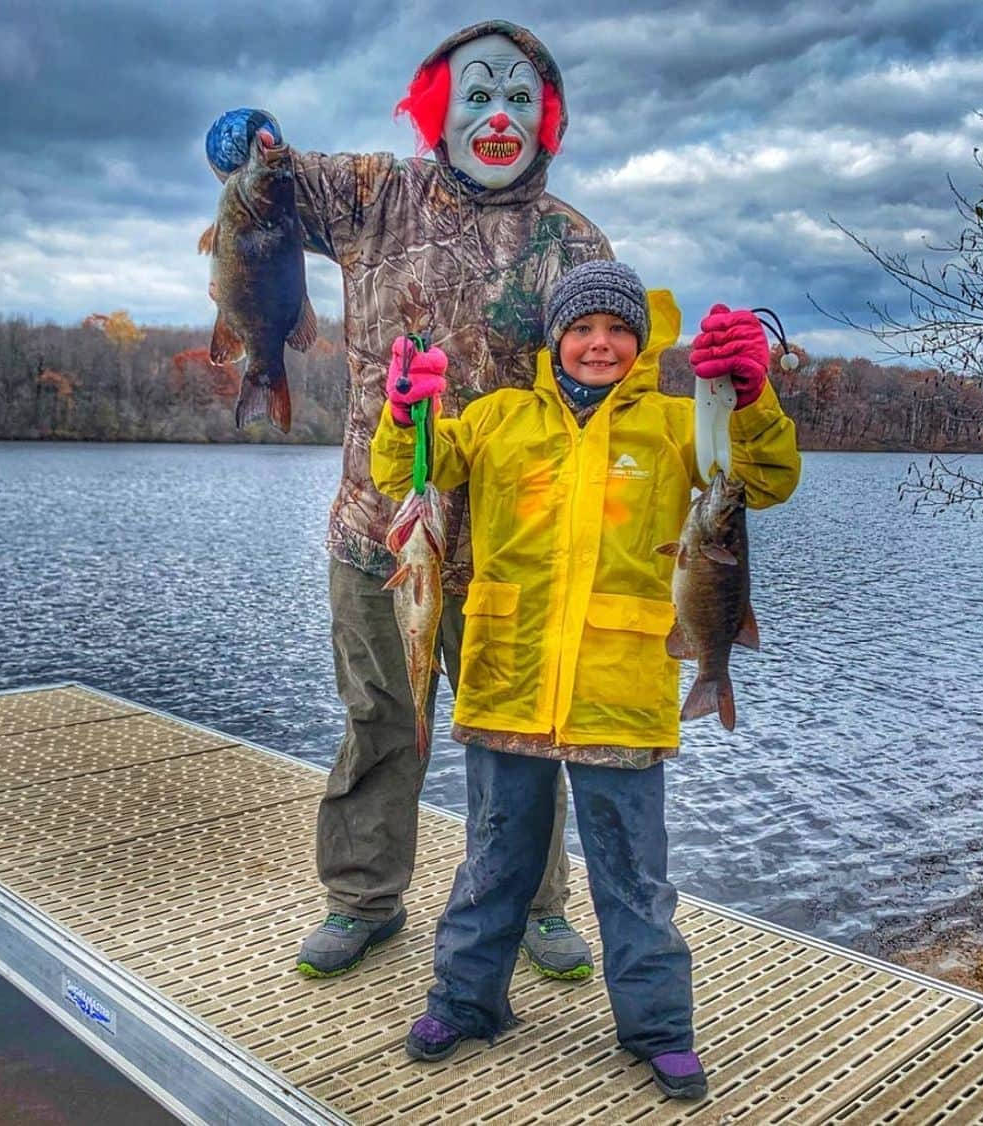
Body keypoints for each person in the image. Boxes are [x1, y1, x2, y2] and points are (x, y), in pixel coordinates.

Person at [206, 21, 611, 979]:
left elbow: (603, 378)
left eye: (520, 99)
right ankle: (361, 898)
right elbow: (267, 183)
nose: (498, 116)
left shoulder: (573, 239)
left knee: (521, 738)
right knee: (381, 720)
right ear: (438, 108)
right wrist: (245, 140)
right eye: (477, 95)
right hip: (376, 531)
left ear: (546, 119)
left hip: (516, 544)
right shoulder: (374, 192)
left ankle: (539, 905)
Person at [370, 261, 801, 1099]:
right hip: (509, 681)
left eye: (616, 329)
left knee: (634, 879)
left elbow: (768, 479)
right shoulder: (498, 419)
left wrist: (751, 399)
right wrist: (405, 413)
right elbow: (408, 473)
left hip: (624, 691)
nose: (598, 343)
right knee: (494, 861)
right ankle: (464, 1002)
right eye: (581, 328)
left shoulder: (679, 425)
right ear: (553, 339)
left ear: (639, 342)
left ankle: (658, 1029)